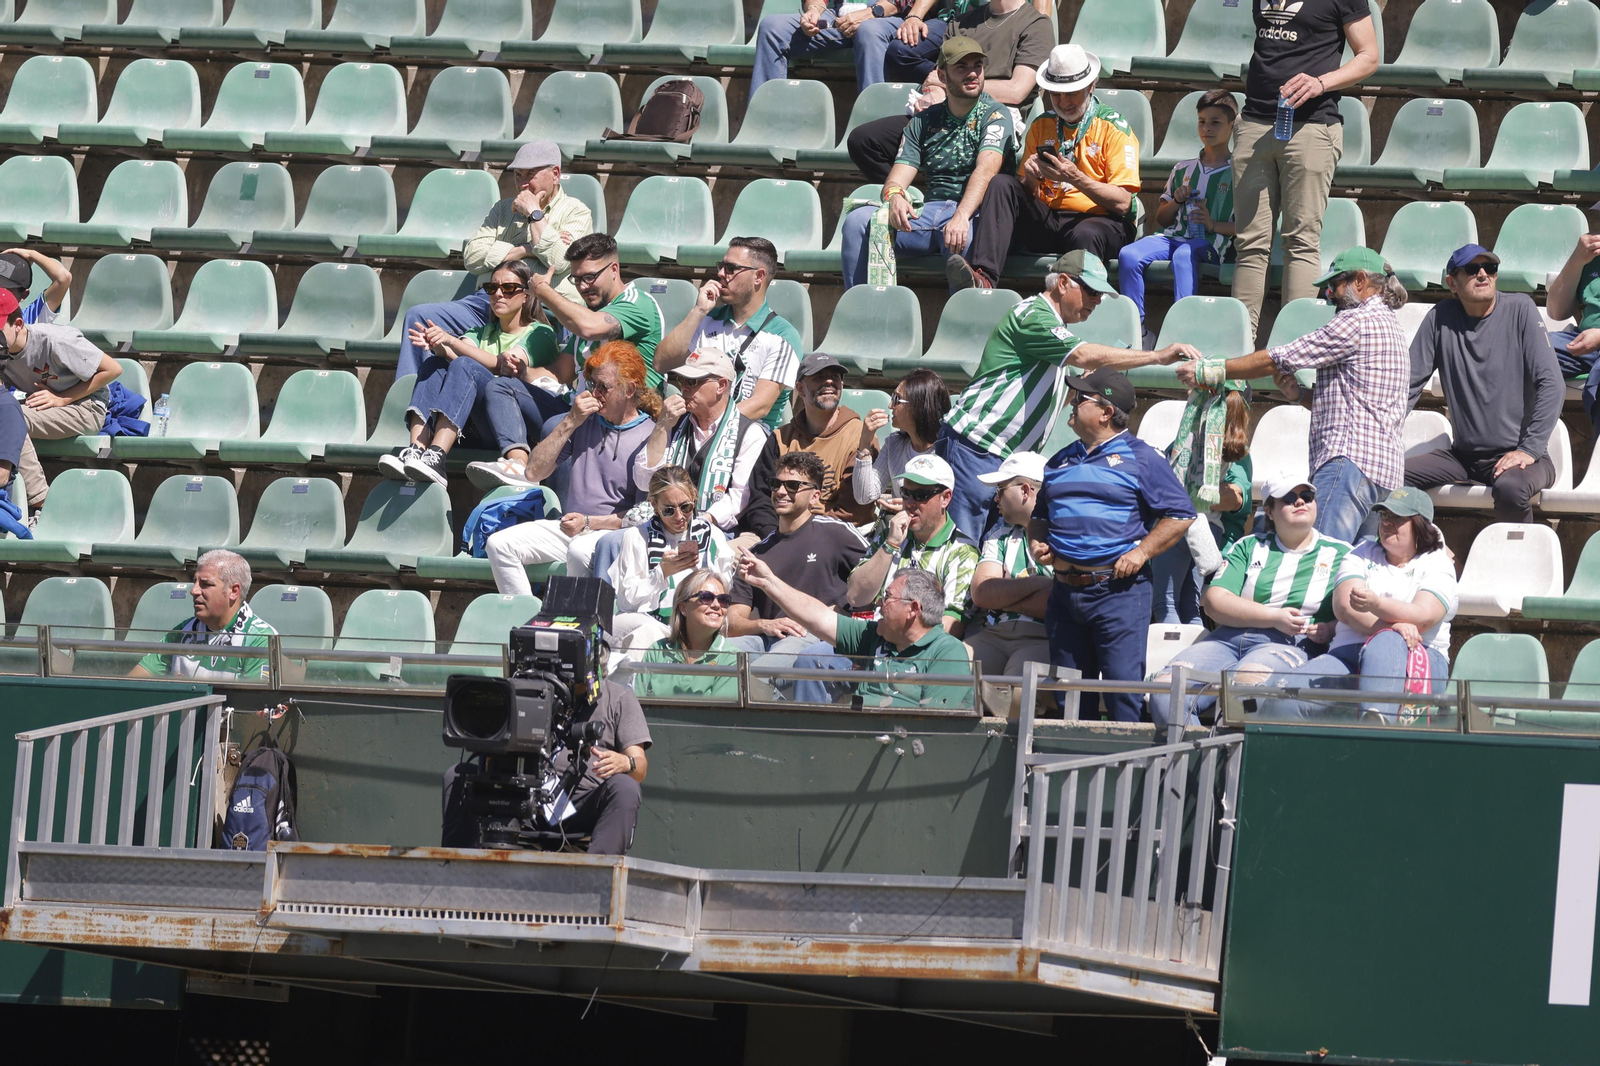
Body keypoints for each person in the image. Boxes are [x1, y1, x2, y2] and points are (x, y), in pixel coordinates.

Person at [941, 250, 1200, 542]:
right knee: (960, 549)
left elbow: (1053, 397)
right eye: (1091, 291)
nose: (1097, 300)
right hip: (975, 448)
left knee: (979, 553)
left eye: (1101, 294)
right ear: (1063, 282)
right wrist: (1157, 355)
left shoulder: (1053, 331)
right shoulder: (1034, 316)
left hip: (996, 455)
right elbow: (1083, 354)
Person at [1177, 246, 1409, 545]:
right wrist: (1299, 395)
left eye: (1334, 285)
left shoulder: (1356, 321)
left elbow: (1277, 358)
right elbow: (1362, 403)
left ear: (1360, 281)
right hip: (1384, 473)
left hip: (1348, 466)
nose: (1329, 295)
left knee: (1320, 562)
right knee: (1355, 574)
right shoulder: (1392, 326)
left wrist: (1210, 370)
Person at [1028, 369, 1196, 722]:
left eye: (1080, 399)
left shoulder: (1143, 458)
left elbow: (1180, 514)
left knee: (1123, 696)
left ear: (1105, 412)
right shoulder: (1058, 460)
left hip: (1119, 594)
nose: (1071, 404)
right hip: (1063, 597)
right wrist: (1037, 540)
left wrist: (1141, 552)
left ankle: (1128, 772)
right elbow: (1040, 515)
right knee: (1069, 701)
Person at [1146, 475, 1351, 729]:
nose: (1300, 502)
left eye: (1307, 497)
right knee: (1166, 691)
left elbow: (1353, 609)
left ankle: (1228, 764)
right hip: (1225, 640)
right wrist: (1274, 617)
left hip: (1289, 643)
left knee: (1245, 691)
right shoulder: (1249, 545)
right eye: (1289, 498)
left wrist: (1330, 628)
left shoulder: (1342, 553)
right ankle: (1198, 763)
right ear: (1270, 512)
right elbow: (1214, 601)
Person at [1231, 0, 1379, 338]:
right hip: (1254, 122)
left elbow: (1369, 56)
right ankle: (1238, 355)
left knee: (1300, 241)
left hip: (1311, 127)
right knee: (1249, 244)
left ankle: (1294, 351)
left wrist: (1321, 83)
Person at [397, 141, 591, 379]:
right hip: (488, 301)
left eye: (531, 174)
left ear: (556, 174)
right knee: (419, 318)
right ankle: (413, 408)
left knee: (507, 363)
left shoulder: (577, 212)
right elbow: (472, 256)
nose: (522, 183)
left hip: (537, 308)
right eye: (518, 175)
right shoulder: (503, 209)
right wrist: (527, 248)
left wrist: (534, 214)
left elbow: (560, 260)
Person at [1265, 487, 1457, 722]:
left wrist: (1377, 607)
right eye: (1385, 516)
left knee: (1386, 642)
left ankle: (1375, 728)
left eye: (1398, 518)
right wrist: (1393, 626)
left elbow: (1424, 617)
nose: (1387, 523)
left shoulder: (1437, 562)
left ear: (1420, 525)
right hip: (1348, 654)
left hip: (1419, 654)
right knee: (1281, 697)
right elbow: (1346, 609)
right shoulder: (1360, 554)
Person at [957, 45, 1141, 290]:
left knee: (1085, 233)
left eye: (1071, 93)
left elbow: (1123, 203)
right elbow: (1025, 190)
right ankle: (984, 278)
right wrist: (1031, 180)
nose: (1063, 102)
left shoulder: (1113, 127)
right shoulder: (1042, 124)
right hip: (1051, 219)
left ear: (1091, 86)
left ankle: (1080, 306)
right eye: (1056, 94)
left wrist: (1076, 178)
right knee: (1002, 184)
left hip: (1101, 220)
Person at [1406, 244, 1563, 524]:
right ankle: (1433, 552)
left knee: (1511, 488)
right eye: (1472, 269)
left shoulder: (1520, 309)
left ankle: (1518, 561)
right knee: (1387, 473)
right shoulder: (1440, 317)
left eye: (1489, 268)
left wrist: (1529, 449)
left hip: (1522, 457)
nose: (1482, 274)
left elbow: (1552, 384)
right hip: (1463, 457)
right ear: (1452, 283)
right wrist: (1377, 437)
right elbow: (1407, 387)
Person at [485, 343, 658, 596]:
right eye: (592, 385)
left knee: (578, 552)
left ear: (629, 389)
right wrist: (570, 421)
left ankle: (578, 629)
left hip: (615, 536)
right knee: (499, 544)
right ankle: (528, 625)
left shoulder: (650, 435)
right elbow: (533, 473)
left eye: (604, 387)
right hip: (572, 528)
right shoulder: (581, 421)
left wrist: (590, 522)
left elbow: (643, 516)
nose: (596, 394)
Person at [840, 37, 1012, 290]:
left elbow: (986, 170)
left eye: (978, 65)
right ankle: (861, 312)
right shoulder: (923, 121)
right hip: (930, 212)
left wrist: (962, 216)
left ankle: (966, 323)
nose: (972, 73)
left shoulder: (996, 114)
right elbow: (897, 178)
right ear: (942, 75)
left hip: (974, 213)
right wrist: (896, 197)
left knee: (964, 239)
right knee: (858, 223)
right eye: (961, 67)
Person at [379, 259, 562, 489]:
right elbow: (456, 358)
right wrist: (438, 345)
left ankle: (437, 456)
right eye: (492, 288)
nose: (498, 294)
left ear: (526, 294)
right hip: (473, 424)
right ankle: (417, 451)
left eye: (507, 288)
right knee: (434, 364)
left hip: (511, 426)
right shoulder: (481, 331)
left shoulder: (540, 333)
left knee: (467, 364)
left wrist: (451, 341)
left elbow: (503, 365)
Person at [851, 0, 1054, 181]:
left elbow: (1016, 90)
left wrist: (948, 87)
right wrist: (934, 93)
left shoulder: (1036, 24)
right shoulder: (962, 22)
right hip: (946, 113)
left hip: (991, 120)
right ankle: (906, 204)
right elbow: (937, 78)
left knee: (966, 159)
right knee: (865, 141)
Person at [443, 679, 650, 855]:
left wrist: (626, 762)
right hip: (522, 800)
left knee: (626, 787)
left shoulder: (619, 696)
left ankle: (597, 881)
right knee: (458, 774)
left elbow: (640, 767)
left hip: (583, 808)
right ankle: (457, 871)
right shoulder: (526, 689)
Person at [739, 555, 975, 709]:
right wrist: (769, 582)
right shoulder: (877, 636)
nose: (879, 605)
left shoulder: (946, 652)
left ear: (913, 609)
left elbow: (934, 730)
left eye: (888, 598)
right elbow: (818, 617)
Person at [1117, 89, 1238, 330]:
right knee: (1128, 255)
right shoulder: (1182, 169)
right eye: (1202, 122)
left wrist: (1212, 224)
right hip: (1172, 238)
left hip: (1211, 245)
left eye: (1216, 122)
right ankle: (1138, 331)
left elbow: (1248, 226)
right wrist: (1176, 201)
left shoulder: (1239, 172)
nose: (1207, 128)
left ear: (1232, 125)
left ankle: (1184, 331)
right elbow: (1162, 219)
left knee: (1184, 253)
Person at [727, 451, 870, 653]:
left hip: (815, 637)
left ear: (815, 496)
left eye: (793, 486)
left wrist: (840, 612)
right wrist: (763, 625)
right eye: (776, 484)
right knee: (722, 657)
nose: (781, 492)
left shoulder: (836, 533)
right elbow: (732, 622)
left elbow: (876, 577)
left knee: (768, 667)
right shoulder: (755, 554)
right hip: (764, 637)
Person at [655, 237, 802, 432]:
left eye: (731, 268)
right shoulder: (706, 320)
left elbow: (760, 405)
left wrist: (711, 430)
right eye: (722, 266)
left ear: (759, 276)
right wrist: (698, 311)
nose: (721, 274)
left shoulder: (782, 335)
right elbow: (661, 363)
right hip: (698, 433)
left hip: (748, 440)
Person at [0, 289, 123, 512]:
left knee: (12, 418)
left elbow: (113, 369)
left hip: (87, 406)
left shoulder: (56, 340)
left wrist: (63, 398)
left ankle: (42, 503)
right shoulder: (3, 351)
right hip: (45, 406)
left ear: (18, 324)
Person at [634, 350, 768, 536]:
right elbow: (643, 481)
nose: (684, 388)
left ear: (721, 385)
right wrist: (662, 426)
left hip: (719, 532)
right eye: (682, 381)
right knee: (610, 544)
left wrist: (699, 524)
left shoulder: (750, 434)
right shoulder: (674, 423)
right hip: (666, 525)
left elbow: (739, 497)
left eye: (693, 381)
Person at [1150, 382, 1254, 624]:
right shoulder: (1233, 445)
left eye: (1197, 388)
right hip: (1208, 531)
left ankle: (1169, 660)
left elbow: (1235, 498)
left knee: (1165, 604)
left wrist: (1181, 497)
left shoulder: (1194, 438)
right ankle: (1190, 659)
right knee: (1190, 606)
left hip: (1179, 526)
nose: (1188, 392)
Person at [743, 352, 878, 534]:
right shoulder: (780, 438)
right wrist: (775, 537)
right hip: (778, 534)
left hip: (835, 538)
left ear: (842, 386)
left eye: (835, 377)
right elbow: (761, 501)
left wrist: (804, 539)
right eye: (819, 377)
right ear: (800, 388)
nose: (829, 382)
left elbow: (853, 512)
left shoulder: (860, 437)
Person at [846, 453, 979, 635]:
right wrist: (890, 545)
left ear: (945, 498)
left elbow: (950, 625)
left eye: (920, 495)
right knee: (811, 657)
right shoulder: (890, 536)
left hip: (918, 653)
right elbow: (855, 596)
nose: (909, 503)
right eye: (906, 493)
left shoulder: (962, 551)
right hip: (874, 637)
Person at [611, 466, 737, 651]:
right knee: (647, 631)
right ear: (654, 506)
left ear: (694, 496)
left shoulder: (712, 535)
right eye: (669, 510)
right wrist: (660, 574)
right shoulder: (637, 536)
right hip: (650, 621)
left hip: (697, 622)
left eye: (686, 507)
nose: (680, 517)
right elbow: (626, 602)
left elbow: (724, 590)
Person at [966, 451, 1050, 716]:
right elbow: (982, 593)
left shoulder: (1063, 533)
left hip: (1044, 637)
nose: (995, 498)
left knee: (1018, 696)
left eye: (1001, 490)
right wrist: (1038, 583)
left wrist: (1005, 595)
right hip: (995, 635)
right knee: (947, 670)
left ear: (1026, 490)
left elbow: (1056, 603)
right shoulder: (1000, 534)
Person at [532, 232, 666, 389]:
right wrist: (517, 369)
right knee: (505, 386)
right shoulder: (589, 313)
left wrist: (542, 290)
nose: (582, 287)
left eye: (589, 277)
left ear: (614, 269)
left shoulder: (637, 304)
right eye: (576, 279)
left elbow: (590, 328)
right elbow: (560, 372)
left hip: (630, 409)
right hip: (582, 406)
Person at [131, 551, 278, 681]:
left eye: (205, 584)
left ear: (234, 591)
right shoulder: (184, 630)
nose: (194, 591)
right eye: (195, 582)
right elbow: (132, 683)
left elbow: (252, 707)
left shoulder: (260, 639)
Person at [751, 0, 924, 97]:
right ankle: (762, 119)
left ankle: (873, 125)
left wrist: (872, 12)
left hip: (888, 17)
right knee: (772, 27)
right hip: (838, 14)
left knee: (869, 31)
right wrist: (814, 10)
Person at [632, 568, 742, 700]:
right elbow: (638, 707)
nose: (716, 605)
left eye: (723, 599)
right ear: (683, 608)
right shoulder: (657, 651)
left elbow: (719, 717)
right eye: (706, 597)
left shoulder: (732, 658)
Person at [853, 367, 948, 509]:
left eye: (897, 399)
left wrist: (908, 508)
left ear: (918, 406)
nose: (890, 405)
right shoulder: (894, 444)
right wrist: (865, 442)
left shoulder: (948, 450)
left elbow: (953, 504)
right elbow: (864, 496)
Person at [1544, 230, 1600, 439]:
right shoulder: (1592, 256)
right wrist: (1577, 260)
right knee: (1521, 349)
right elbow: (1557, 312)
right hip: (1582, 340)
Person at [0, 247, 70, 325]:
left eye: (6, 289)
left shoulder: (30, 317)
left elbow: (63, 278)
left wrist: (31, 254)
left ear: (23, 295)